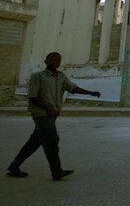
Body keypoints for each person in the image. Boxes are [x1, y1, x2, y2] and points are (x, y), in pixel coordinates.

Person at [7, 52, 101, 180]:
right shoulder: (38, 77)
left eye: (58, 60)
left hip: (52, 114)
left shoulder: (61, 77)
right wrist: (48, 108)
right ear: (46, 61)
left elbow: (73, 88)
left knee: (34, 142)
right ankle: (56, 171)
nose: (55, 63)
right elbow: (33, 97)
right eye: (52, 60)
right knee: (51, 140)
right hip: (41, 114)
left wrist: (91, 93)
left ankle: (14, 166)